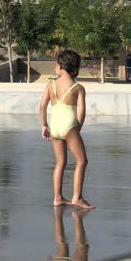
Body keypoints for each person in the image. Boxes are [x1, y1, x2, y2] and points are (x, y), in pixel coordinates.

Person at [38, 49, 94, 209]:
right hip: (69, 127)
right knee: (82, 161)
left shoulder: (51, 85)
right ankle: (77, 197)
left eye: (57, 63)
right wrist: (77, 129)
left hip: (54, 126)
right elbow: (81, 112)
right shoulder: (78, 88)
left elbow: (42, 106)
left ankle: (57, 197)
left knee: (60, 163)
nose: (55, 66)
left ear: (62, 66)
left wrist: (44, 125)